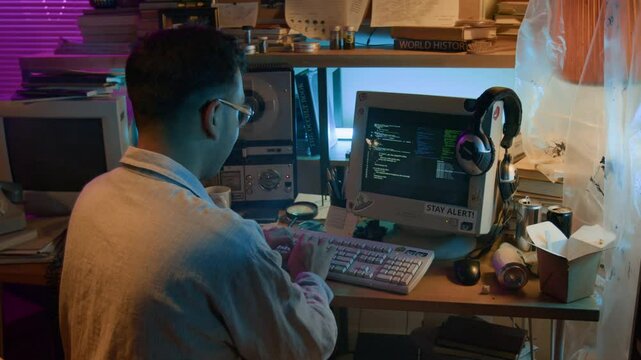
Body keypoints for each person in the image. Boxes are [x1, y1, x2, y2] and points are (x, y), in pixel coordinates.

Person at [58, 27, 337, 359]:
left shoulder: (93, 197)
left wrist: (252, 247)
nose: (239, 124)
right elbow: (307, 346)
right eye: (241, 113)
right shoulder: (225, 243)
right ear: (214, 116)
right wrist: (310, 276)